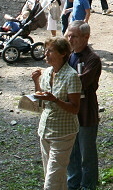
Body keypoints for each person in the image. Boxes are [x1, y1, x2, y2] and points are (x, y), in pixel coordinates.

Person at [31, 37, 82, 189]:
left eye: (50, 50)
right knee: (54, 177)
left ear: (63, 54)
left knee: (51, 182)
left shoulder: (71, 76)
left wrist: (55, 100)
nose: (46, 54)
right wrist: (36, 83)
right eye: (46, 50)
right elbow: (42, 99)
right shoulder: (46, 73)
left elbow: (74, 108)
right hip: (45, 130)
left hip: (63, 133)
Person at [65, 21, 101, 190]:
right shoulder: (68, 56)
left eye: (74, 36)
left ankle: (88, 186)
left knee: (87, 155)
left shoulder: (92, 59)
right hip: (70, 113)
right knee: (72, 154)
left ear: (86, 37)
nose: (70, 39)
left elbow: (80, 83)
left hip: (86, 113)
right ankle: (73, 184)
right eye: (68, 35)